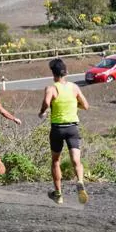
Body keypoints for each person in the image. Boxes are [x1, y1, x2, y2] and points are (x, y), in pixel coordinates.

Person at [39, 58, 89, 205]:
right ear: (65, 72)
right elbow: (86, 106)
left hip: (57, 129)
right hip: (72, 128)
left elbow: (46, 102)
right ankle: (80, 181)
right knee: (76, 160)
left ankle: (59, 194)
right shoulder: (74, 87)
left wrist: (42, 111)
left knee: (56, 161)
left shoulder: (51, 88)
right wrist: (73, 105)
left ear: (53, 73)